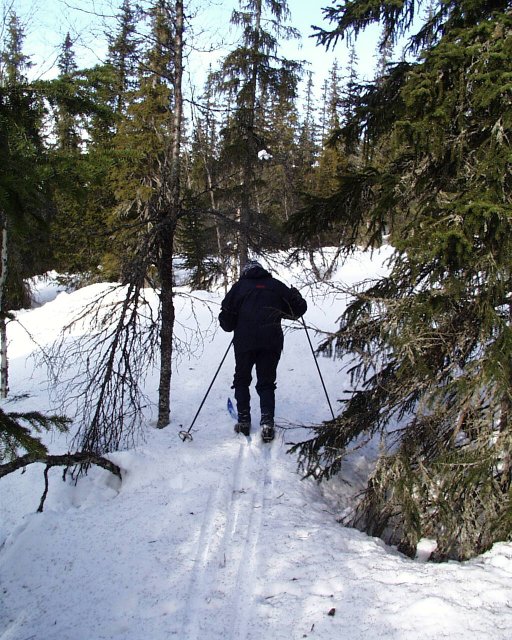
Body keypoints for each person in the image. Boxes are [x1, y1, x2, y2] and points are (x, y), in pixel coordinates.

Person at [219, 260, 307, 442]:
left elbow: (226, 323)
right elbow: (296, 310)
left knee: (242, 379)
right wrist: (296, 296)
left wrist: (233, 318)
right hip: (271, 341)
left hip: (245, 342)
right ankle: (267, 422)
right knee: (266, 381)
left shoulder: (239, 287)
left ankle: (244, 420)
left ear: (245, 272)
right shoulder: (276, 286)